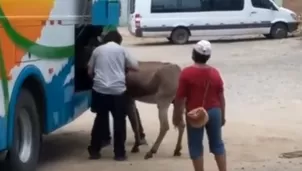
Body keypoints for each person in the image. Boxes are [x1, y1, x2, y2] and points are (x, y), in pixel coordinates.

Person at [173, 40, 227, 171]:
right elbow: (221, 97)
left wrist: (177, 115)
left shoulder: (186, 73)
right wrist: (223, 115)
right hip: (215, 111)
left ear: (193, 54)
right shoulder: (215, 72)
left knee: (195, 146)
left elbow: (180, 97)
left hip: (194, 112)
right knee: (217, 145)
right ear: (208, 57)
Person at [87, 30, 139, 161]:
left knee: (100, 120)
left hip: (100, 90)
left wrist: (97, 80)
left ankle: (94, 151)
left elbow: (89, 70)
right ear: (119, 40)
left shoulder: (97, 50)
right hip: (118, 91)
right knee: (119, 121)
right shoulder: (122, 50)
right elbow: (135, 66)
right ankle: (119, 154)